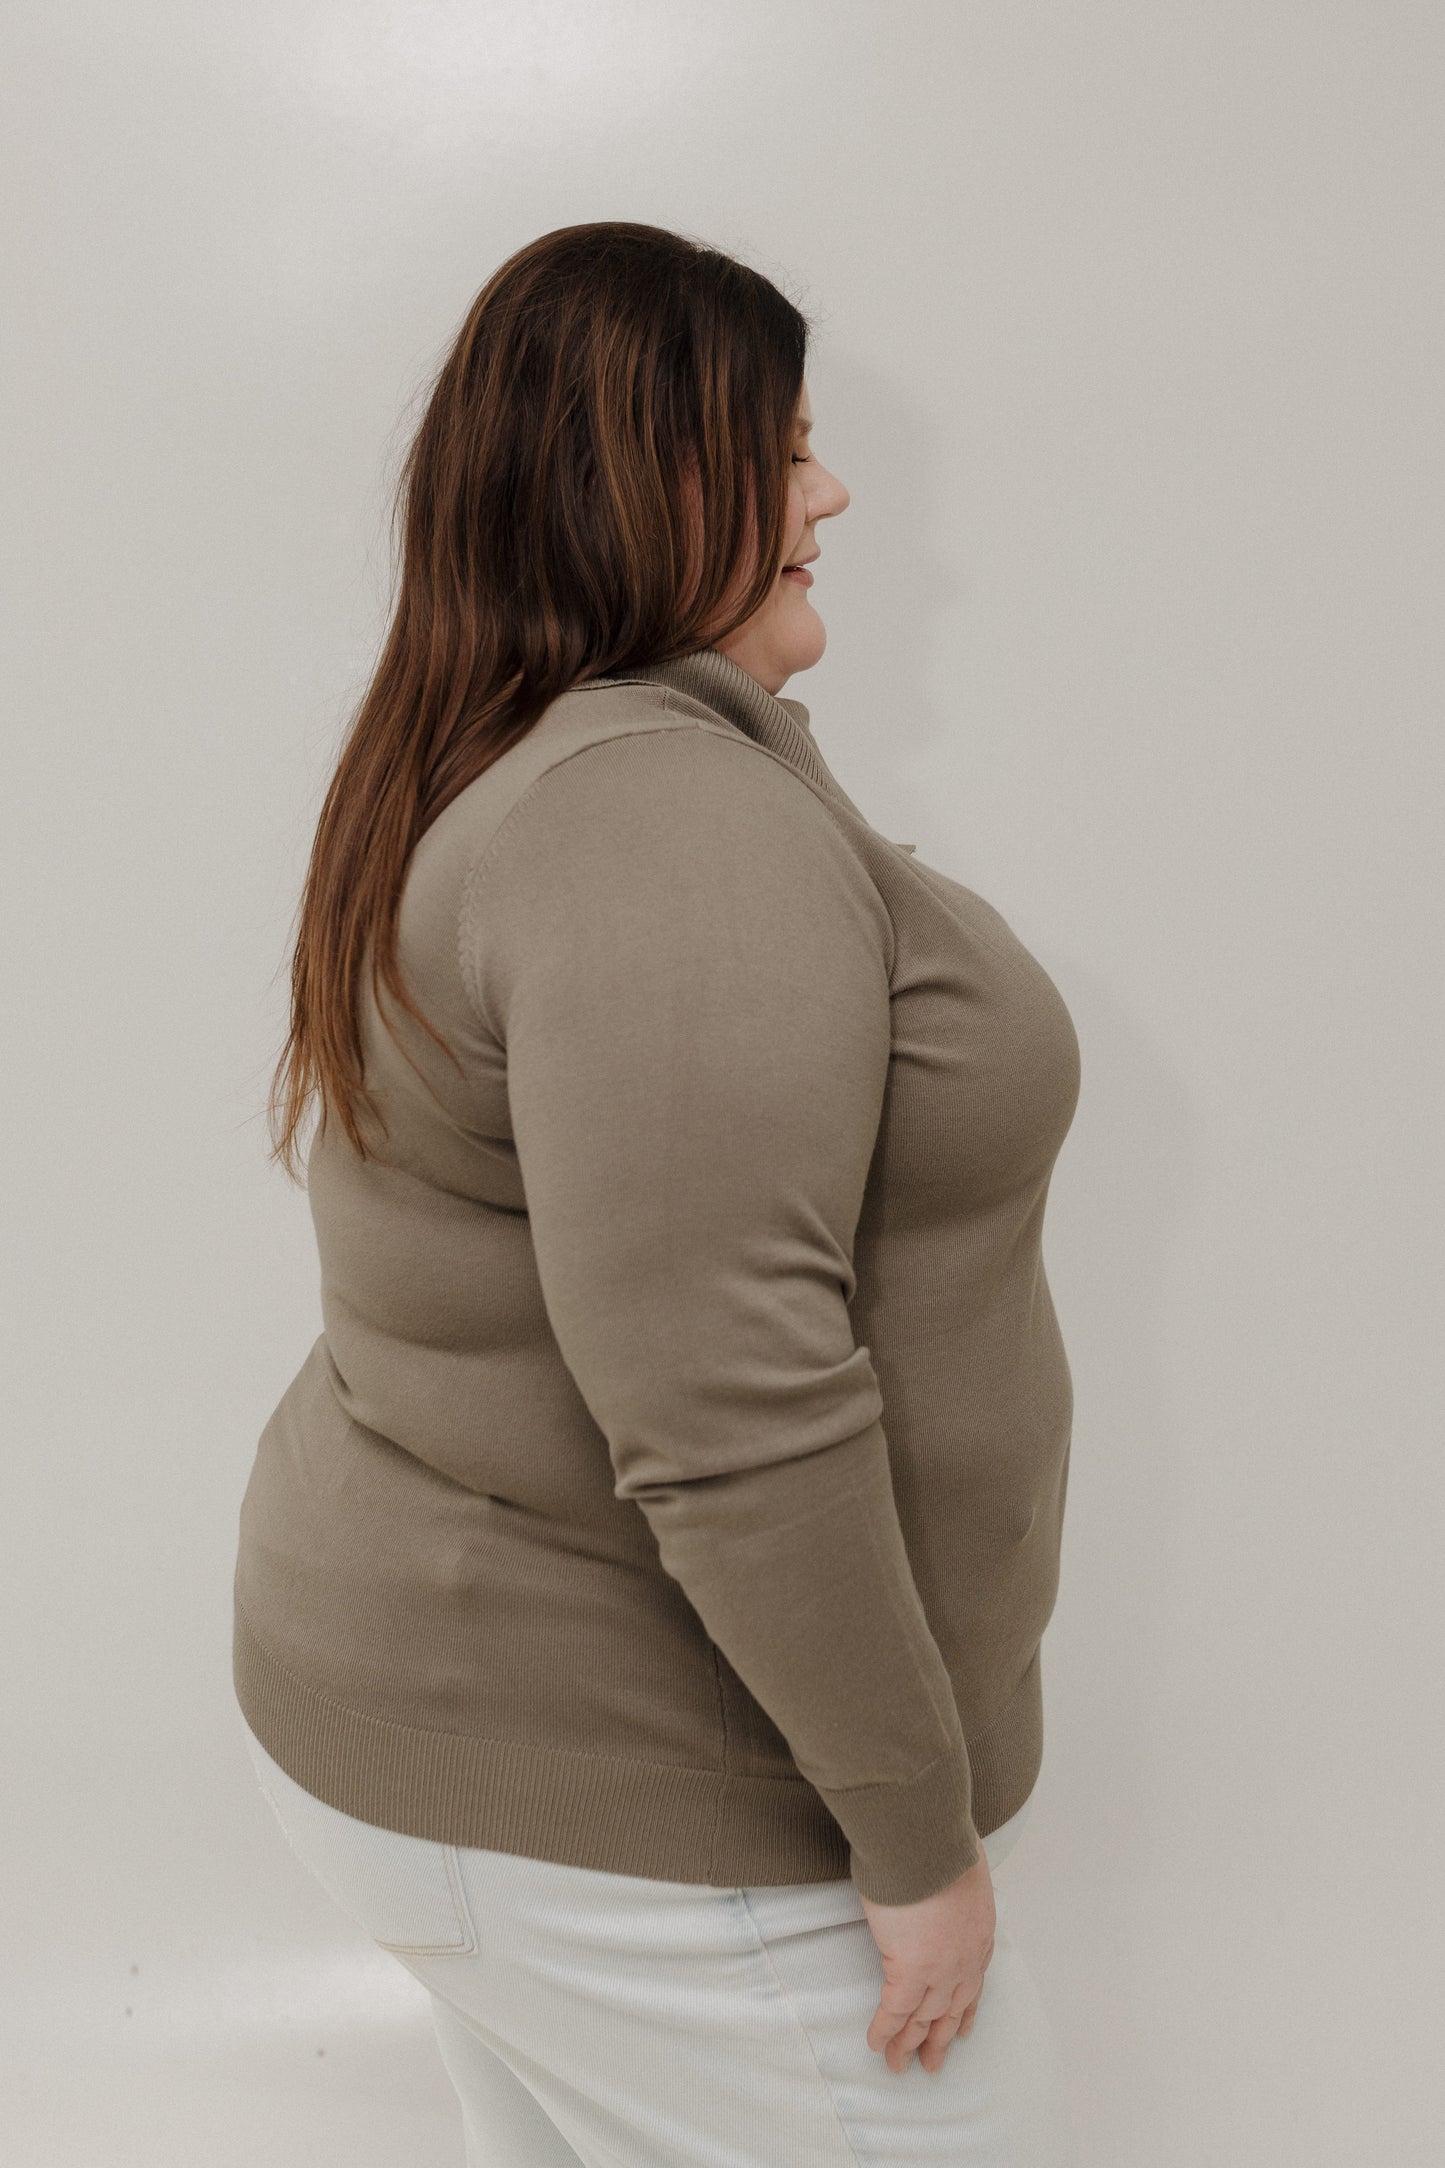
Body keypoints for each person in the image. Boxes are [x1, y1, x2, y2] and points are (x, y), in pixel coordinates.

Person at [233, 219, 1082, 2166]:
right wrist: (914, 1837)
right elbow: (728, 1405)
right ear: (648, 483)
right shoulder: (653, 820)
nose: (834, 491)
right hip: (633, 1804)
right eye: (785, 451)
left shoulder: (559, 764)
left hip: (506, 1758)